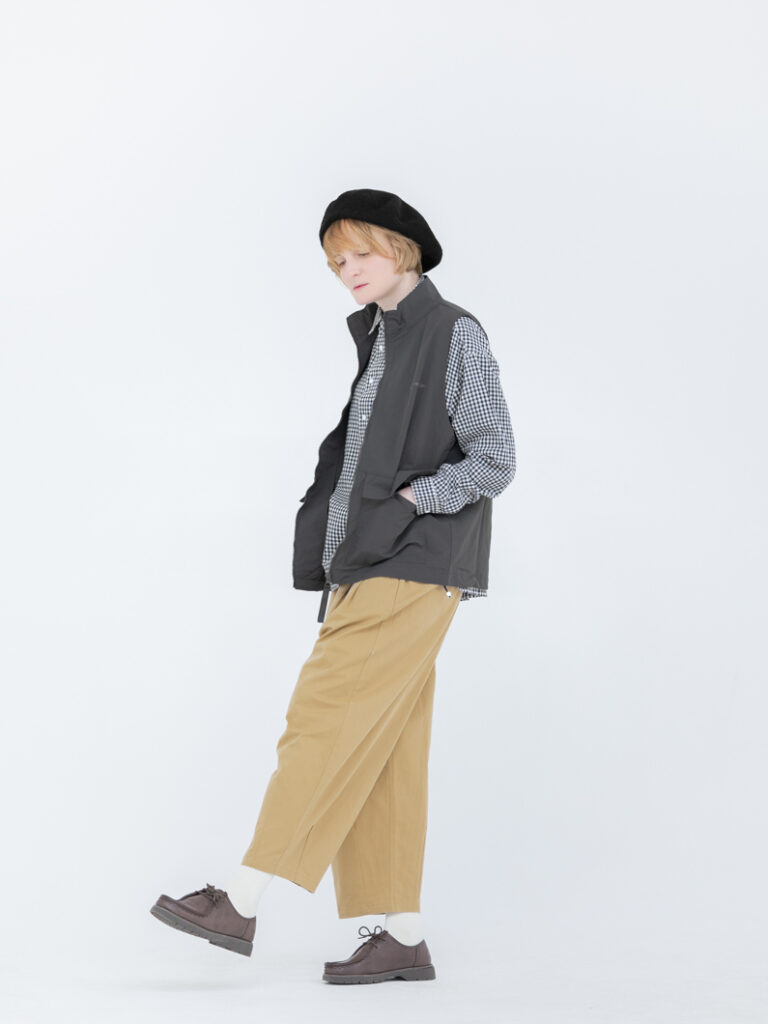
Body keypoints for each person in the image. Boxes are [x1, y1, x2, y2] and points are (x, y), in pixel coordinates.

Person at [150, 188, 516, 984]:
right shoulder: (381, 338)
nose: (347, 270)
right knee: (386, 751)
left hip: (411, 561)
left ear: (402, 248)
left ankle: (241, 899)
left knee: (322, 717)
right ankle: (401, 936)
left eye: (360, 253)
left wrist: (414, 502)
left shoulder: (452, 332)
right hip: (372, 561)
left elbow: (494, 458)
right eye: (335, 261)